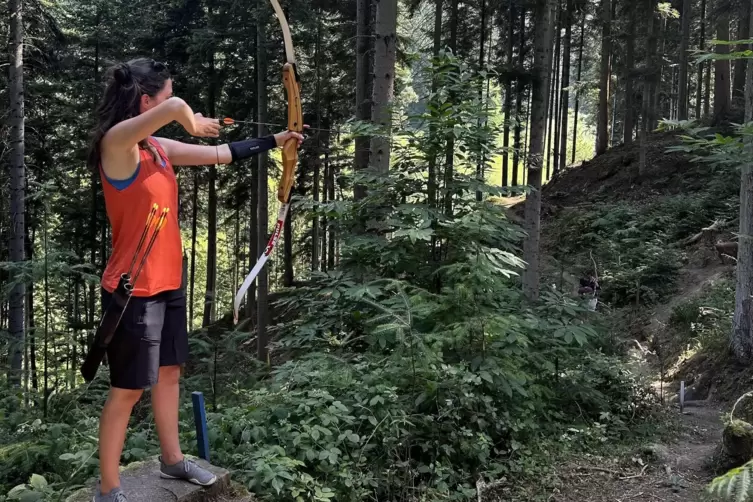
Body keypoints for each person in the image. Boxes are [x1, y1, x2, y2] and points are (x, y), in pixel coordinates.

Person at [87, 58, 304, 502]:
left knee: (169, 374)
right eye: (164, 96)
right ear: (146, 102)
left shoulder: (157, 147)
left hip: (168, 282)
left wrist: (276, 140)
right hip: (133, 293)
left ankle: (173, 459)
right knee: (128, 391)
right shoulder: (118, 143)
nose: (171, 102)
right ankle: (109, 490)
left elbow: (220, 154)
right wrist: (184, 113)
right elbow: (179, 107)